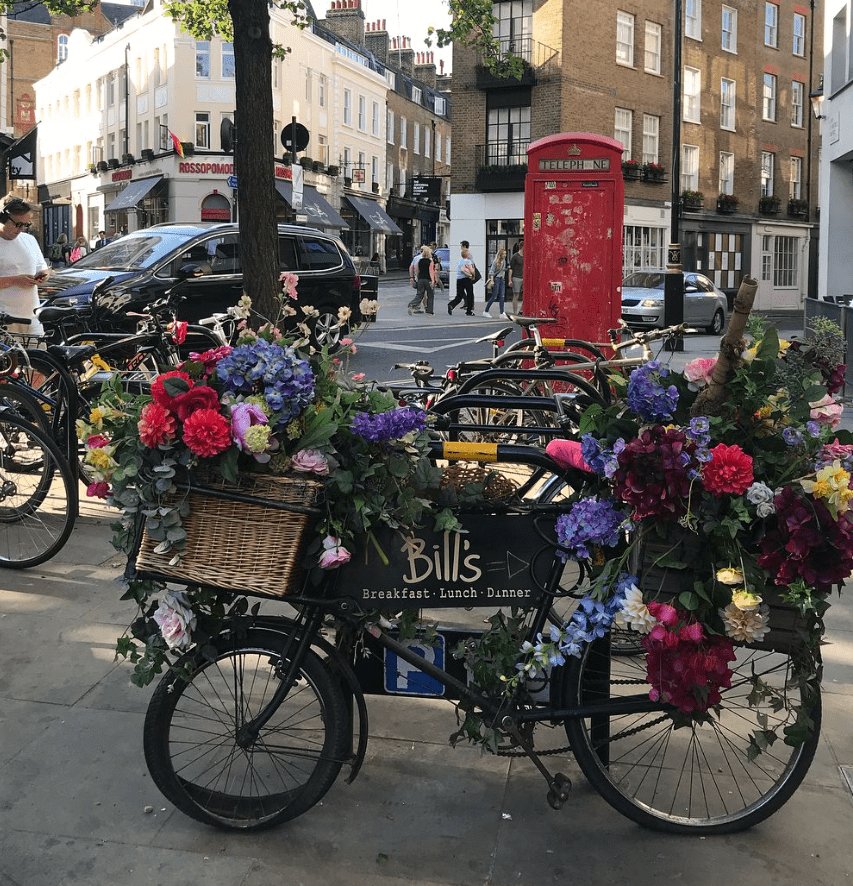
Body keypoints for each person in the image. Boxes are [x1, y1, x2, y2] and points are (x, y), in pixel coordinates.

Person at [0, 196, 49, 335]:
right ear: (2, 218)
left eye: (25, 225)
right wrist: (15, 280)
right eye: (18, 224)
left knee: (40, 356)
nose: (21, 229)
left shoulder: (29, 240)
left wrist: (43, 276)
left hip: (32, 317)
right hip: (3, 322)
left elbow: (42, 267)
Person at [408, 245, 437, 315]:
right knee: (430, 295)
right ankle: (429, 311)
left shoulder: (419, 261)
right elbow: (431, 272)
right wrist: (433, 280)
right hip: (428, 280)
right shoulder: (430, 261)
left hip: (420, 279)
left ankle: (412, 304)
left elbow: (417, 270)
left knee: (420, 294)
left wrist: (417, 278)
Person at [448, 245, 475, 316]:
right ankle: (469, 311)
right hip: (467, 279)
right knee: (470, 295)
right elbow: (472, 271)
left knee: (459, 296)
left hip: (459, 280)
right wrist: (473, 275)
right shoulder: (468, 262)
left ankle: (451, 305)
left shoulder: (459, 262)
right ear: (467, 255)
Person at [483, 247, 509, 319]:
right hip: (496, 279)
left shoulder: (504, 261)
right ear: (500, 254)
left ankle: (501, 313)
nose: (505, 255)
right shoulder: (495, 262)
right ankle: (486, 311)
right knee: (494, 296)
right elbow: (491, 272)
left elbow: (503, 270)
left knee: (502, 297)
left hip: (502, 280)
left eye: (505, 254)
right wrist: (492, 281)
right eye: (503, 254)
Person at [509, 240, 524, 315]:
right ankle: (515, 312)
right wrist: (510, 280)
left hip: (524, 277)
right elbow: (510, 268)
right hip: (516, 277)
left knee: (526, 294)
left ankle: (521, 310)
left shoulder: (526, 256)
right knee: (516, 294)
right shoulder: (515, 256)